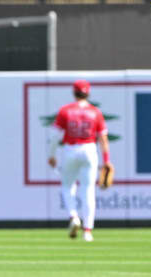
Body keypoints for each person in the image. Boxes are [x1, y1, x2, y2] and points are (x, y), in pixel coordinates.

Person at [48, 79, 110, 242]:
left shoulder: (65, 111)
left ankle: (73, 216)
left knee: (68, 187)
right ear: (88, 93)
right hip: (89, 149)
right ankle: (88, 231)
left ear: (74, 92)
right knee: (88, 190)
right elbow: (103, 139)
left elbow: (54, 136)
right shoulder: (95, 112)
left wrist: (51, 154)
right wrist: (106, 160)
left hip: (71, 149)